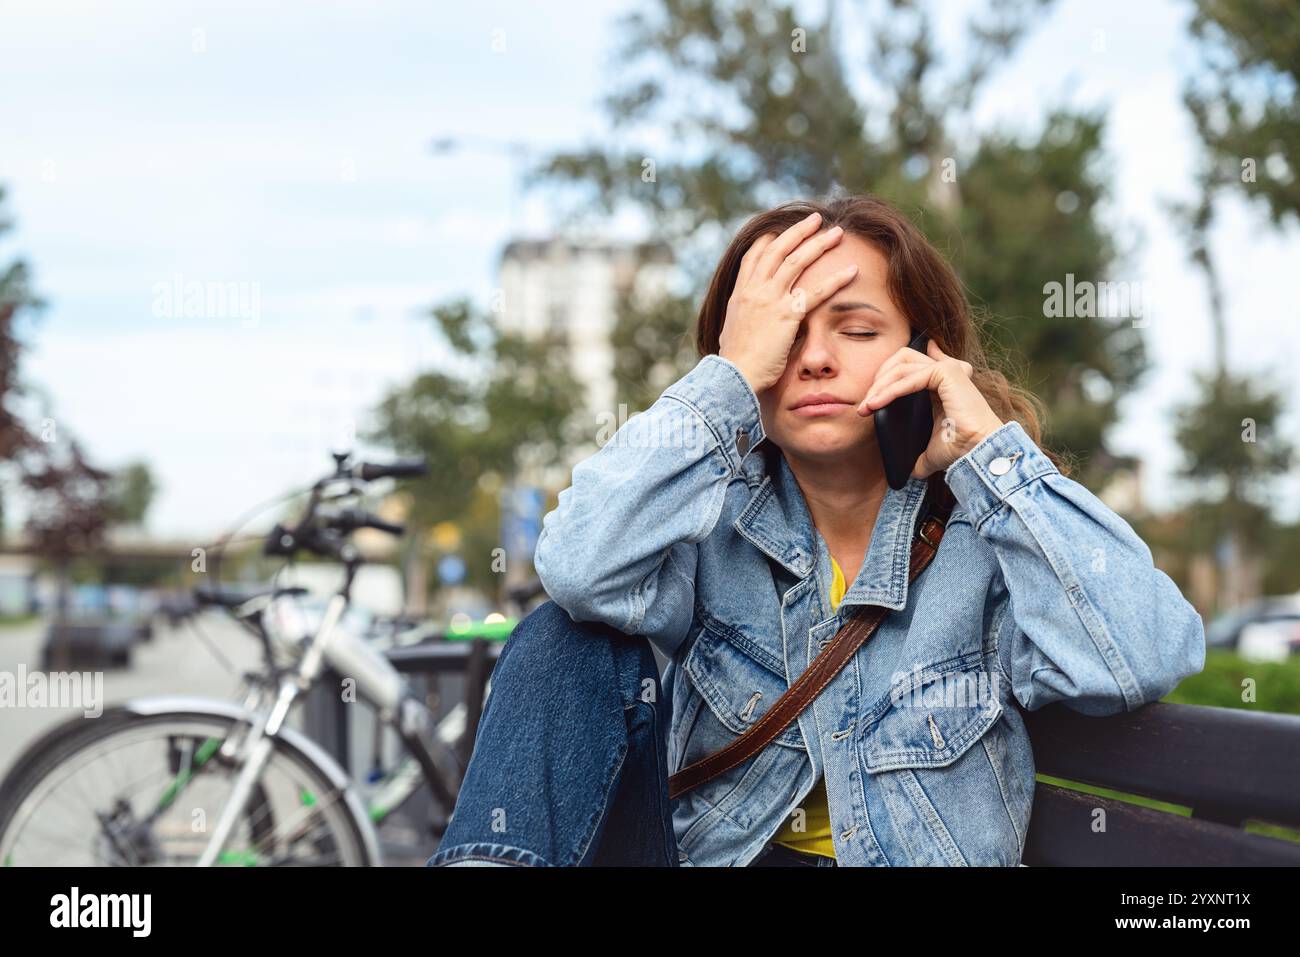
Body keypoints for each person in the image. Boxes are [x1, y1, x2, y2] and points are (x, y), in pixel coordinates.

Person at [427, 195, 1206, 867]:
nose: (817, 360)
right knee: (566, 635)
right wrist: (728, 380)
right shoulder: (708, 526)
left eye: (857, 330)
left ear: (924, 355)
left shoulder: (990, 540)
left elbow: (1138, 658)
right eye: (785, 334)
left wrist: (988, 453)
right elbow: (578, 566)